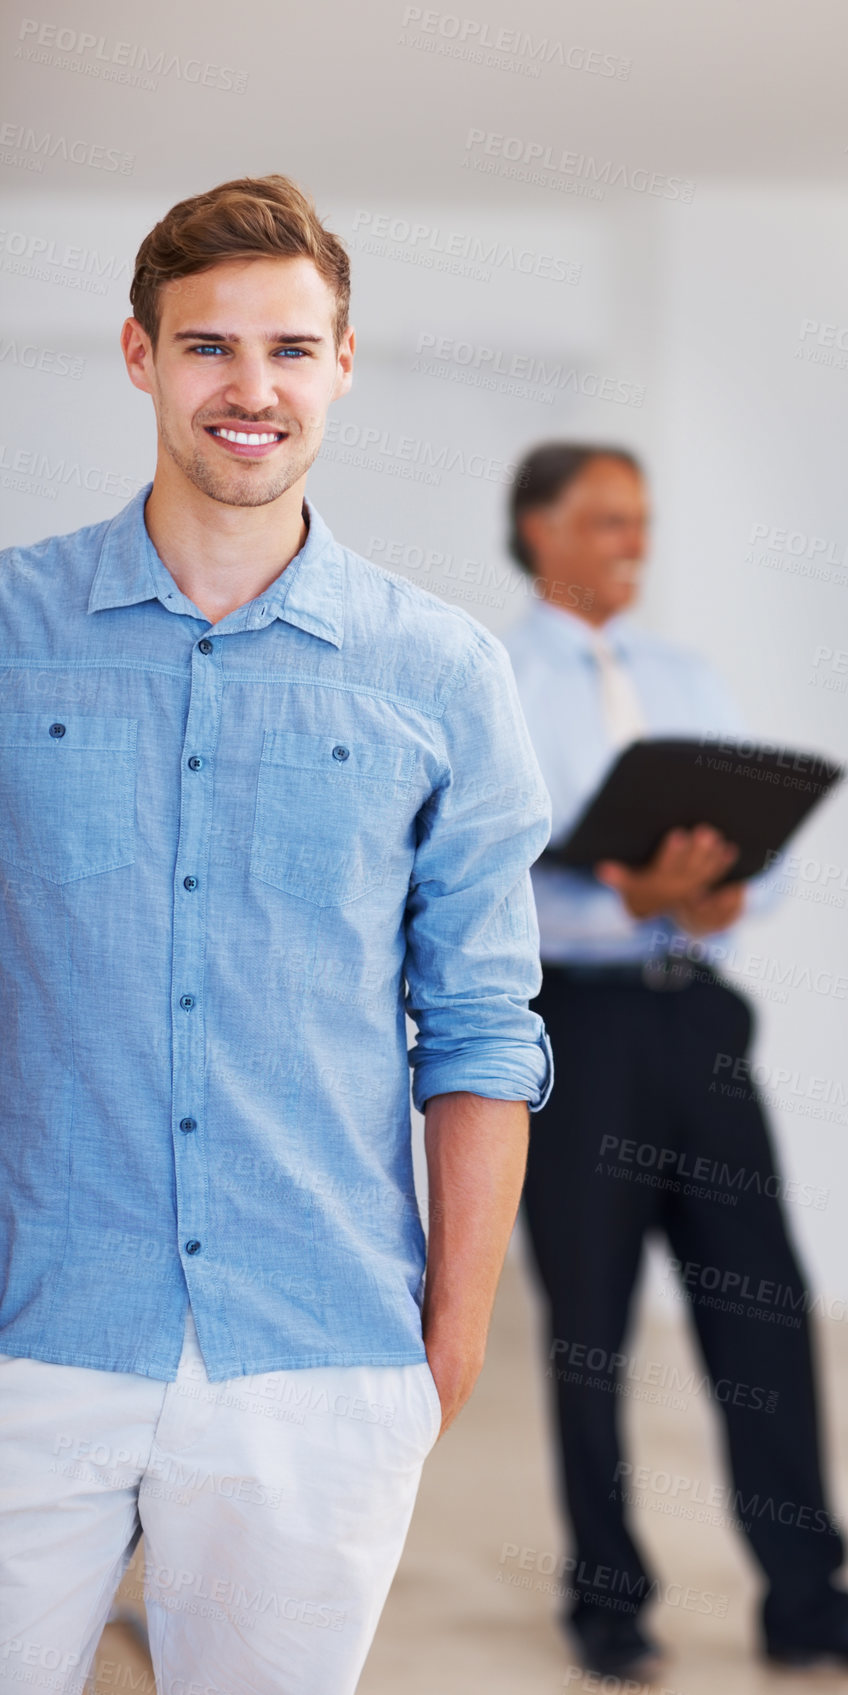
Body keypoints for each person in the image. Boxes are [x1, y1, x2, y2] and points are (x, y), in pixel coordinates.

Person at [0, 176, 552, 1694]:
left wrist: (448, 1337)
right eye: (208, 348)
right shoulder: (9, 630)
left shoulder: (440, 673)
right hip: (31, 1325)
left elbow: (485, 1025)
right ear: (138, 355)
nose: (251, 389)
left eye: (291, 350)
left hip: (319, 1342)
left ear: (344, 363)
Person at [501, 441, 848, 1680]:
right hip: (574, 1029)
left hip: (697, 1022)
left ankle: (806, 1597)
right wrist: (621, 890)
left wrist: (714, 900)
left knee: (762, 1309)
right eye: (605, 523)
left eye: (640, 524)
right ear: (537, 530)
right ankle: (606, 1607)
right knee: (589, 1331)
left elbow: (775, 844)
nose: (630, 547)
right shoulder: (487, 678)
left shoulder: (685, 671)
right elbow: (474, 873)